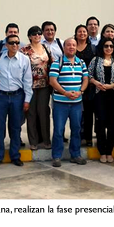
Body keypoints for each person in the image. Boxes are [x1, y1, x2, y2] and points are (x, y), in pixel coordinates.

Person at [0, 34, 33, 168]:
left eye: (17, 43)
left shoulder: (24, 60)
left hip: (17, 97)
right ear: (6, 45)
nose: (15, 45)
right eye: (12, 43)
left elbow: (28, 81)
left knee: (15, 128)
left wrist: (27, 100)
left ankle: (15, 156)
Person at [49, 38, 89, 167]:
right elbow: (52, 81)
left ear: (76, 47)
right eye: (68, 45)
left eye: (73, 45)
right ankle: (56, 156)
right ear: (64, 47)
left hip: (77, 103)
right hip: (60, 103)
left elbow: (86, 79)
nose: (71, 47)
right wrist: (65, 93)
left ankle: (75, 154)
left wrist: (81, 91)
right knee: (59, 130)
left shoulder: (81, 62)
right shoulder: (57, 62)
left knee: (76, 129)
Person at [88, 37, 114, 163]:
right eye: (106, 46)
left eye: (111, 46)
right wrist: (96, 82)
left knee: (113, 123)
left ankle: (109, 151)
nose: (108, 48)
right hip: (99, 95)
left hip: (113, 95)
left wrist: (112, 85)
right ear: (101, 47)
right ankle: (102, 151)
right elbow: (89, 74)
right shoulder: (96, 59)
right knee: (100, 123)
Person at [20, 26, 52, 150]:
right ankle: (33, 141)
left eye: (39, 33)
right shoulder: (24, 50)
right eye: (34, 34)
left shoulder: (46, 48)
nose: (37, 36)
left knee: (43, 113)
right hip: (30, 86)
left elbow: (50, 64)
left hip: (44, 86)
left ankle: (46, 140)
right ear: (29, 36)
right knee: (31, 113)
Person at [75, 24, 95, 147]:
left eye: (84, 31)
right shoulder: (72, 47)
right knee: (77, 112)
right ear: (76, 34)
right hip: (74, 83)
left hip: (89, 84)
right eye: (79, 31)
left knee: (88, 111)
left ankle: (88, 137)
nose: (82, 33)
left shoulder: (92, 48)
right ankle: (78, 136)